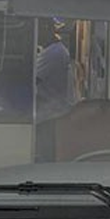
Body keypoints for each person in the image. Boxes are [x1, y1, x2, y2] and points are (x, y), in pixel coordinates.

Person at [34, 18, 74, 160]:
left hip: (51, 114)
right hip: (48, 112)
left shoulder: (54, 53)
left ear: (46, 29)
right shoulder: (51, 50)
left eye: (37, 30)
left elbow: (34, 79)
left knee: (46, 154)